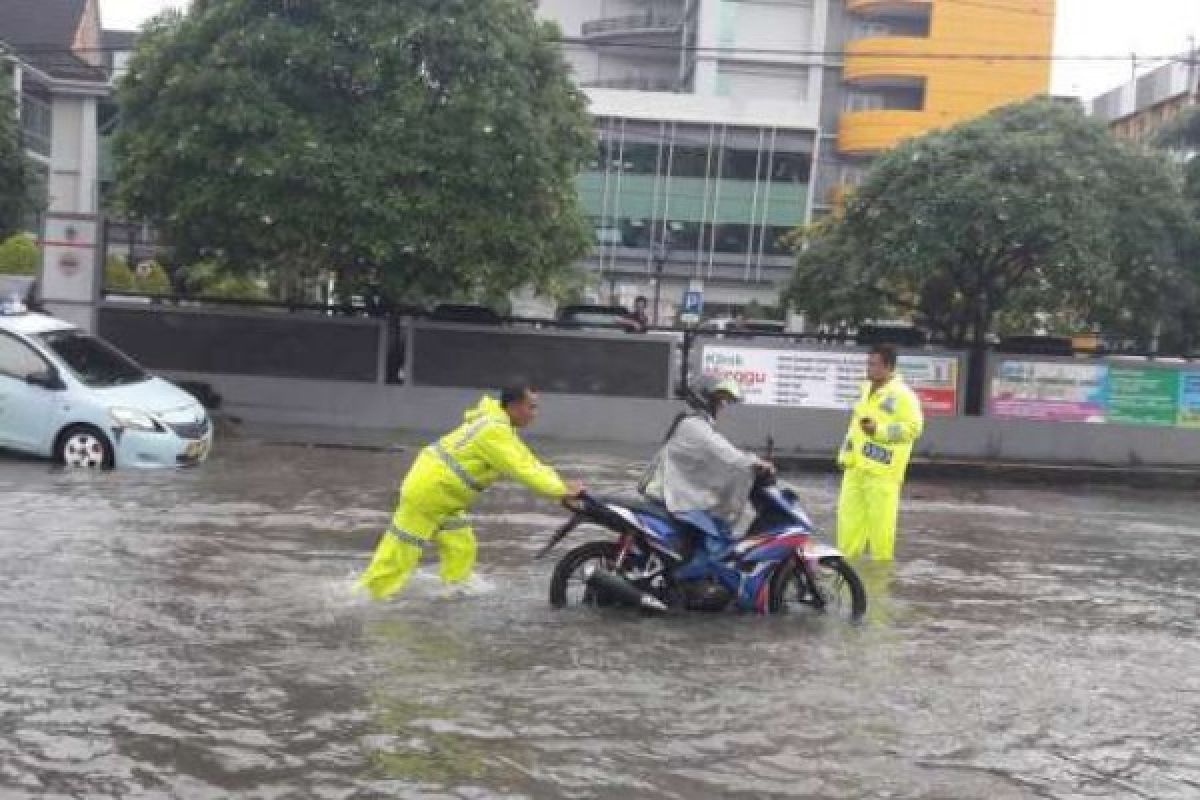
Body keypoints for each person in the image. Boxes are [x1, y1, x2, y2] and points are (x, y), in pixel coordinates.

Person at [357, 385, 584, 599]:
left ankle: (454, 589)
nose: (535, 414)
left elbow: (528, 461)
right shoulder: (494, 432)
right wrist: (560, 490)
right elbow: (522, 469)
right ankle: (370, 597)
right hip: (430, 493)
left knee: (461, 546)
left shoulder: (498, 427)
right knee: (400, 552)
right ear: (514, 407)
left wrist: (561, 485)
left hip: (444, 496)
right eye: (531, 407)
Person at [640, 376, 773, 573]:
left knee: (711, 525)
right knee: (715, 539)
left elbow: (710, 462)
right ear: (706, 400)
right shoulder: (693, 425)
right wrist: (755, 463)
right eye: (719, 401)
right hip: (669, 496)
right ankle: (697, 578)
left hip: (673, 494)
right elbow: (725, 454)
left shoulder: (695, 424)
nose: (722, 406)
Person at [836, 344, 924, 561]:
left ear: (889, 367)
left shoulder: (903, 396)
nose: (869, 368)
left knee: (881, 534)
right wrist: (845, 455)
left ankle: (879, 583)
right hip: (855, 468)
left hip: (883, 473)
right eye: (868, 363)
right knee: (847, 526)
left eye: (874, 364)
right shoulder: (866, 389)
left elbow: (914, 428)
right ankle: (846, 573)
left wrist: (880, 431)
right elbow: (855, 426)